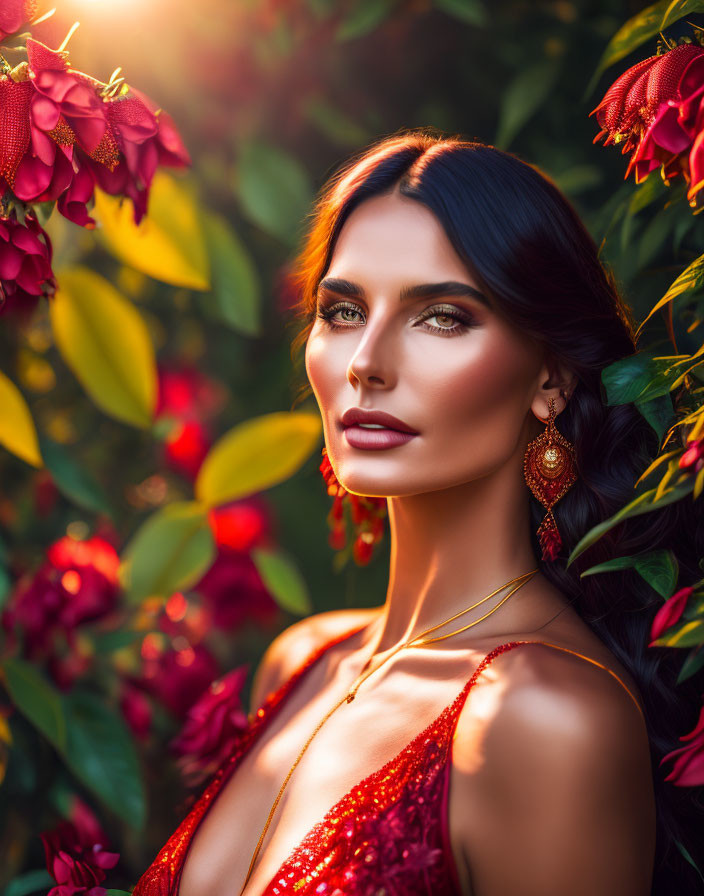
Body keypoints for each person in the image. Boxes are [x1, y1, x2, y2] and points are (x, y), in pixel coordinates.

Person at [132, 130, 703, 896]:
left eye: (441, 316)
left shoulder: (546, 720)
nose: (367, 360)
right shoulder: (302, 661)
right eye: (342, 310)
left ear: (552, 381)